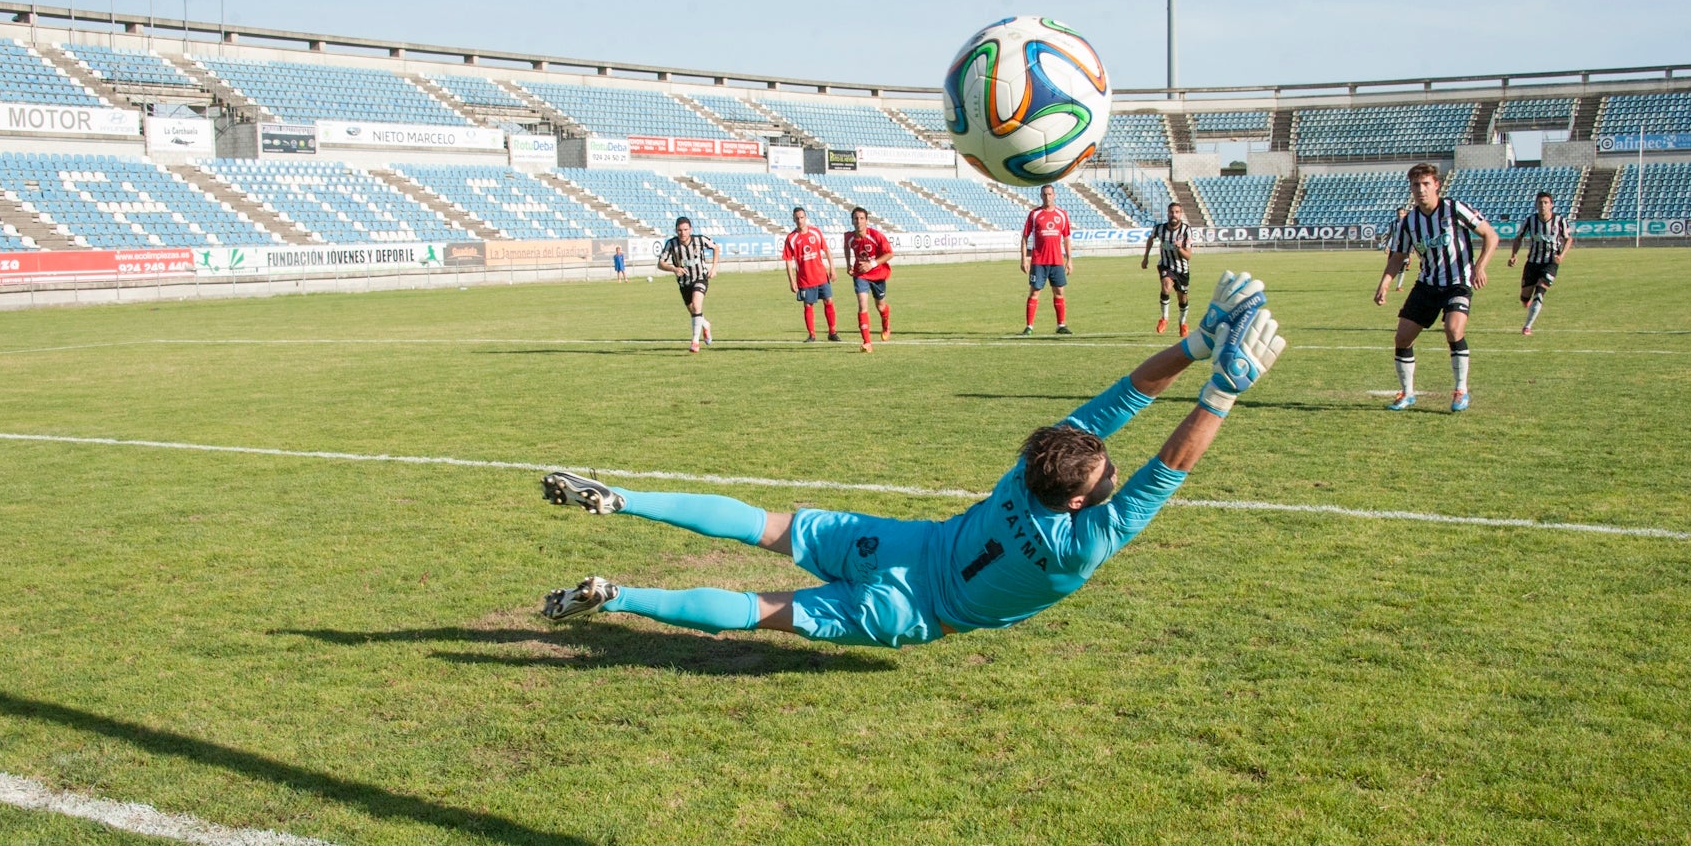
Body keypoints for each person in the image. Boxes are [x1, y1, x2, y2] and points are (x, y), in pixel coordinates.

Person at [539, 272, 1287, 647]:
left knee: (766, 524)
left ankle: (626, 497)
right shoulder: (1083, 543)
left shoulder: (1028, 470)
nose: (1113, 468)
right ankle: (622, 595)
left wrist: (1197, 344)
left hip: (903, 541)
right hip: (908, 608)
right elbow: (1169, 467)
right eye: (1106, 477)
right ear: (1079, 502)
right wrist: (1222, 390)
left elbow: (1126, 399)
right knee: (762, 610)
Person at [1373, 163, 1498, 412]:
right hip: (1427, 284)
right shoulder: (1408, 222)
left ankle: (1461, 390)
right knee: (1403, 337)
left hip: (1457, 283)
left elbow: (1490, 235)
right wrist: (1384, 284)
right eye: (1416, 185)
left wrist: (1480, 266)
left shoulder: (1454, 209)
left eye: (1426, 184)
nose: (1421, 189)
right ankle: (1407, 393)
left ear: (1437, 185)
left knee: (1453, 329)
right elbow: (1398, 256)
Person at [1506, 190, 1572, 336]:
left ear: (1551, 205)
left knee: (1540, 291)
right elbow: (1518, 238)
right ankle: (1527, 302)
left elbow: (1568, 239)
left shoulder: (1560, 221)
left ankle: (1527, 326)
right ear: (1536, 205)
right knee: (1525, 296)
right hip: (1532, 263)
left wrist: (1562, 255)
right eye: (1540, 203)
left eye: (1545, 202)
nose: (1543, 205)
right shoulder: (1530, 220)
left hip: (1551, 262)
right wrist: (1513, 255)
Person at [657, 217, 717, 353]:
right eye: (680, 230)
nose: (683, 233)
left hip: (700, 278)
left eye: (685, 230)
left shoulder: (700, 240)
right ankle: (706, 325)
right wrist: (673, 269)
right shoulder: (671, 244)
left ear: (690, 230)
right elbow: (660, 263)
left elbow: (716, 247)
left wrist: (714, 268)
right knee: (695, 313)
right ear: (676, 230)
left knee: (697, 306)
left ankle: (695, 342)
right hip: (684, 283)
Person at [1021, 183, 1073, 335]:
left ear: (1054, 195)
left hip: (1057, 260)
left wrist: (1069, 260)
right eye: (1044, 194)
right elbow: (1024, 237)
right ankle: (1029, 326)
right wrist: (1024, 259)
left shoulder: (1061, 214)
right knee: (1034, 292)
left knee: (1059, 292)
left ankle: (1061, 325)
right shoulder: (1034, 214)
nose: (1047, 197)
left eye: (1050, 194)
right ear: (1040, 196)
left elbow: (1067, 238)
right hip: (1038, 261)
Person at [782, 206, 840, 343]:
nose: (800, 220)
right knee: (808, 305)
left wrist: (832, 268)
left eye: (802, 217)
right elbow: (788, 261)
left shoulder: (815, 232)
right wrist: (791, 281)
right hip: (805, 279)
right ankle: (812, 334)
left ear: (805, 218)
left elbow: (826, 250)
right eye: (797, 218)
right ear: (793, 219)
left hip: (821, 276)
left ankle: (832, 332)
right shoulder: (791, 238)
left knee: (829, 301)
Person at [843, 206, 894, 352]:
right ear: (852, 221)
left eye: (861, 218)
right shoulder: (849, 237)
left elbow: (890, 254)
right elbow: (846, 247)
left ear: (866, 221)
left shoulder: (876, 235)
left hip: (878, 274)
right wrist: (848, 264)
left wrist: (872, 264)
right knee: (862, 305)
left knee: (880, 306)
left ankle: (886, 323)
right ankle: (867, 342)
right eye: (855, 218)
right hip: (861, 275)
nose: (858, 221)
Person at [1140, 200, 1193, 335]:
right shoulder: (1159, 228)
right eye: (1171, 212)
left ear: (1180, 214)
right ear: (1167, 213)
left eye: (1176, 212)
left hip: (1182, 269)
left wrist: (1179, 248)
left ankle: (1182, 323)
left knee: (1182, 298)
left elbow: (1188, 256)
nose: (1173, 215)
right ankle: (1164, 318)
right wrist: (1145, 257)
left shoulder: (1186, 230)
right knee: (1166, 285)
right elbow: (1150, 239)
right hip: (1166, 265)